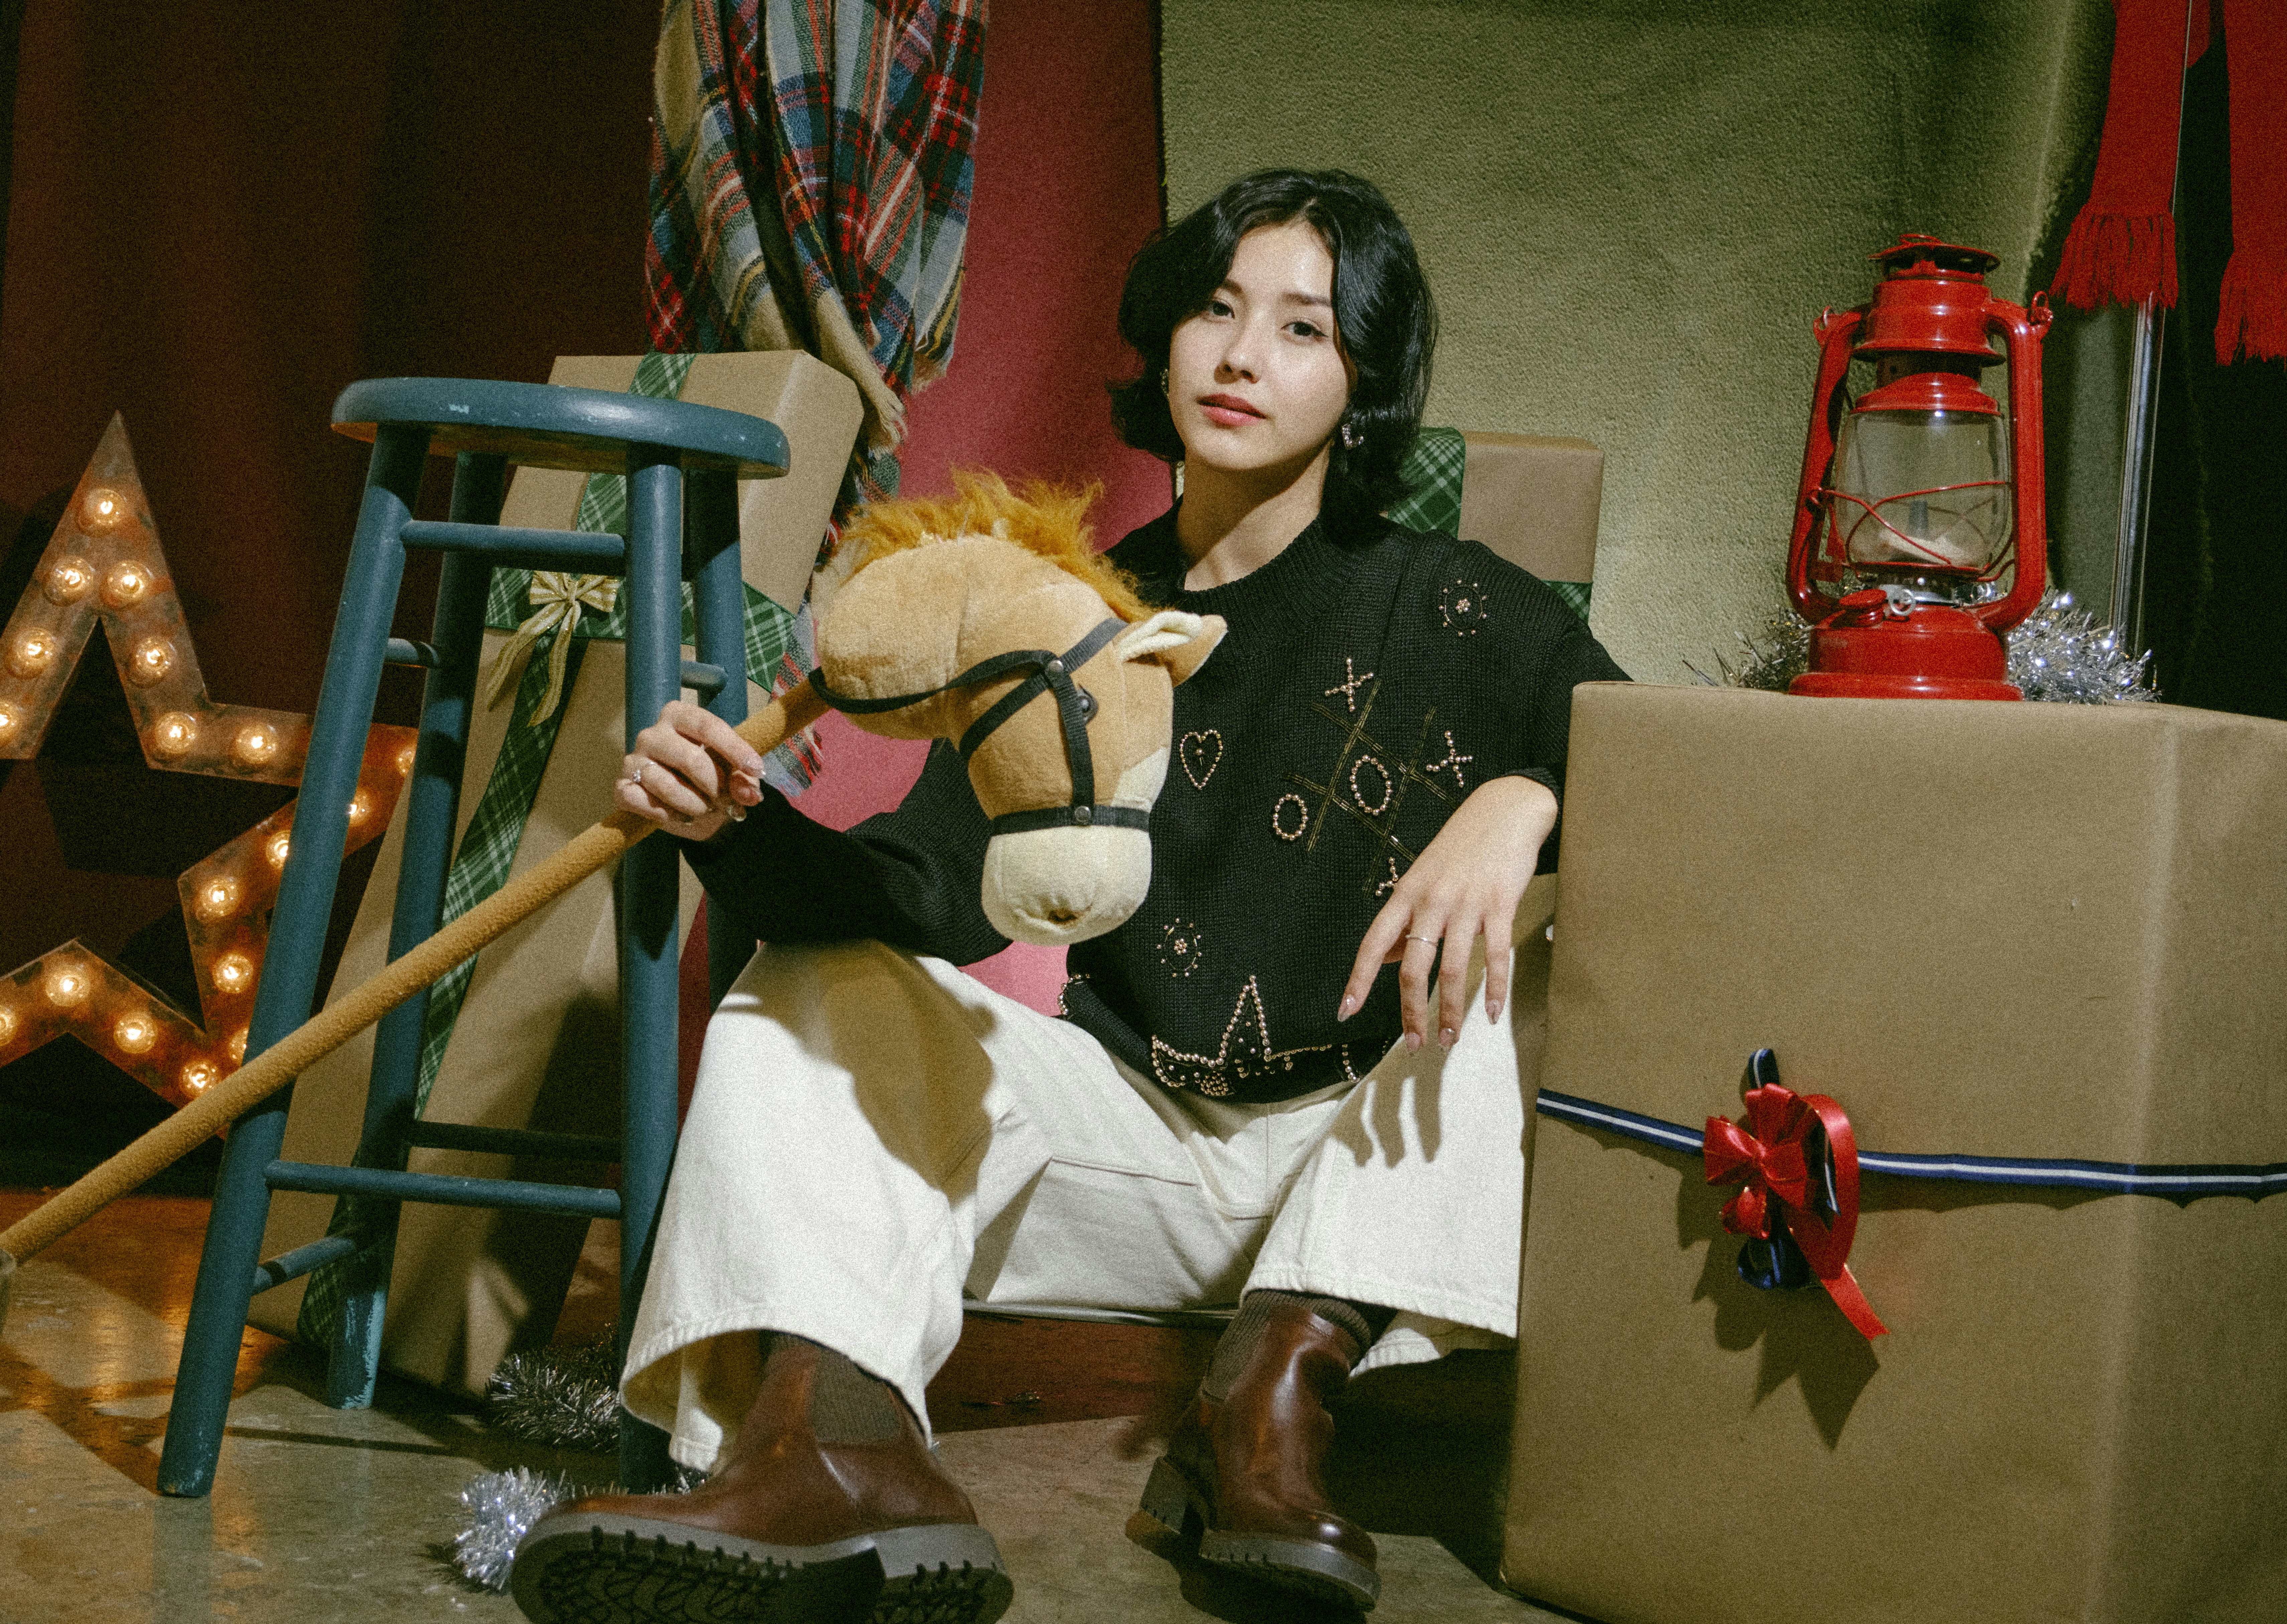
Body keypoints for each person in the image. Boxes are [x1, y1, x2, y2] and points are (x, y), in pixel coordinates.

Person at [509, 168, 1628, 1623]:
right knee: (806, 993)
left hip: (1364, 1178)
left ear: (1362, 381)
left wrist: (1526, 800)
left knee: (1506, 986)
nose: (1239, 357)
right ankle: (833, 1447)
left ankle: (1274, 1403)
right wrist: (734, 824)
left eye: (1302, 328)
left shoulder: (1470, 607)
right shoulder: (1068, 617)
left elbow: (1684, 799)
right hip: (1139, 1146)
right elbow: (921, 895)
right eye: (1215, 311)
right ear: (1161, 339)